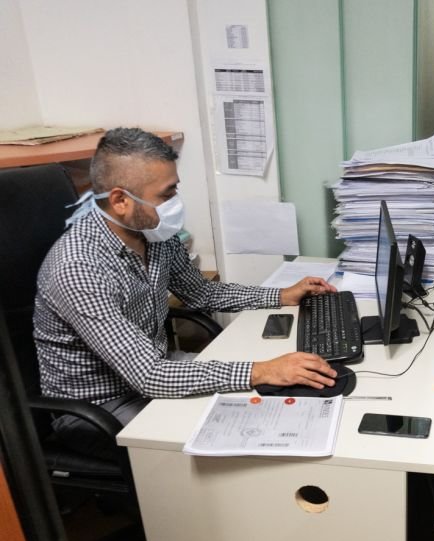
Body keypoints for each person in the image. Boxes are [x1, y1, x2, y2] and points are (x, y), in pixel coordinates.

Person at [34, 127, 337, 459]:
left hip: (156, 372)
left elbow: (201, 294)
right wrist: (263, 369)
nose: (174, 204)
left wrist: (282, 295)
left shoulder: (152, 233)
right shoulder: (78, 268)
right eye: (166, 195)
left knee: (271, 400)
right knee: (247, 433)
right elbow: (150, 376)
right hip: (100, 408)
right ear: (121, 200)